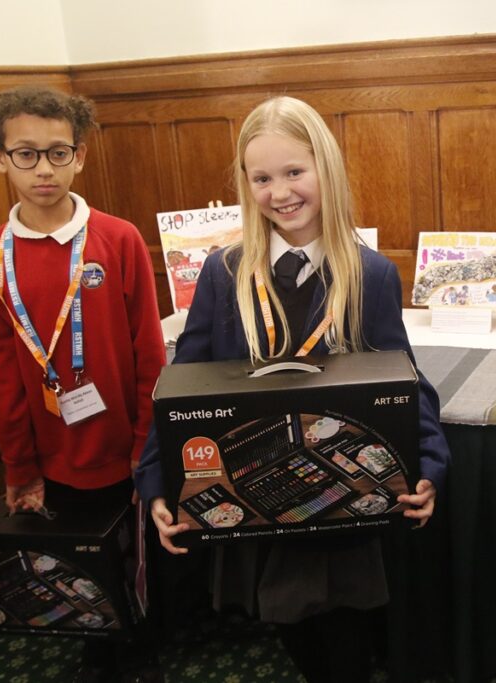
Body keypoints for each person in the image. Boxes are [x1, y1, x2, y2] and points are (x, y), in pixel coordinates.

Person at [134, 95, 450, 682]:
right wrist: (158, 480)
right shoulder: (224, 272)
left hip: (339, 496)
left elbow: (406, 380)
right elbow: (181, 386)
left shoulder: (370, 273)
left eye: (294, 172)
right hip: (257, 487)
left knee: (344, 638)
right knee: (291, 623)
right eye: (262, 178)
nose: (280, 192)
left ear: (325, 169)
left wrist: (429, 464)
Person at [0, 86, 166, 682]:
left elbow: (149, 353)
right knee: (77, 559)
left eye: (58, 152)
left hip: (126, 443)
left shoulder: (119, 238)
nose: (44, 169)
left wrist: (145, 445)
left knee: (140, 555)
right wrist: (20, 466)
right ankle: (97, 648)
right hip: (52, 452)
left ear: (80, 155)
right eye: (25, 154)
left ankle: (145, 649)